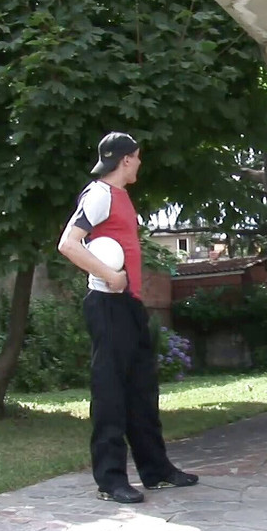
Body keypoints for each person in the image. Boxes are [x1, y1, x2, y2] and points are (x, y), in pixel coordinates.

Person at [57, 132, 198, 504]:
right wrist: (109, 274)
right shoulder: (99, 194)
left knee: (142, 390)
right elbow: (68, 243)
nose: (139, 163)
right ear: (126, 160)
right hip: (107, 304)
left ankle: (157, 471)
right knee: (110, 393)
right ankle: (111, 481)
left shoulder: (120, 196)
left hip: (129, 304)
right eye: (137, 157)